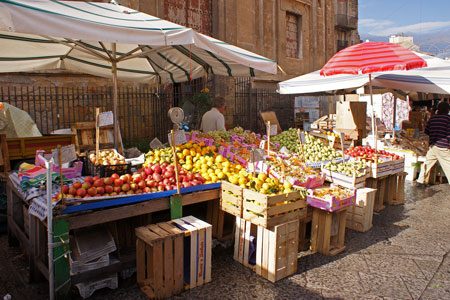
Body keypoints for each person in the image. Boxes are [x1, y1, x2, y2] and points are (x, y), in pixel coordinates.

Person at [416, 101, 450, 186]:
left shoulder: (433, 118)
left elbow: (427, 131)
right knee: (448, 165)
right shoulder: (448, 119)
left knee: (427, 163)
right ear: (447, 110)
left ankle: (420, 181)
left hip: (433, 145)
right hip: (443, 146)